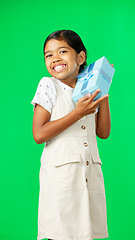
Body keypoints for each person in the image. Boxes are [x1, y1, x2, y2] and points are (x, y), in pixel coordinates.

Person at [31, 30, 112, 240]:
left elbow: (103, 133)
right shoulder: (48, 85)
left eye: (63, 51)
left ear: (81, 57)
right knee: (61, 233)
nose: (55, 58)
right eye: (48, 55)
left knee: (87, 233)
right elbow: (39, 134)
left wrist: (103, 91)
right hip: (61, 182)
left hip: (88, 177)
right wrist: (77, 113)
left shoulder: (88, 89)